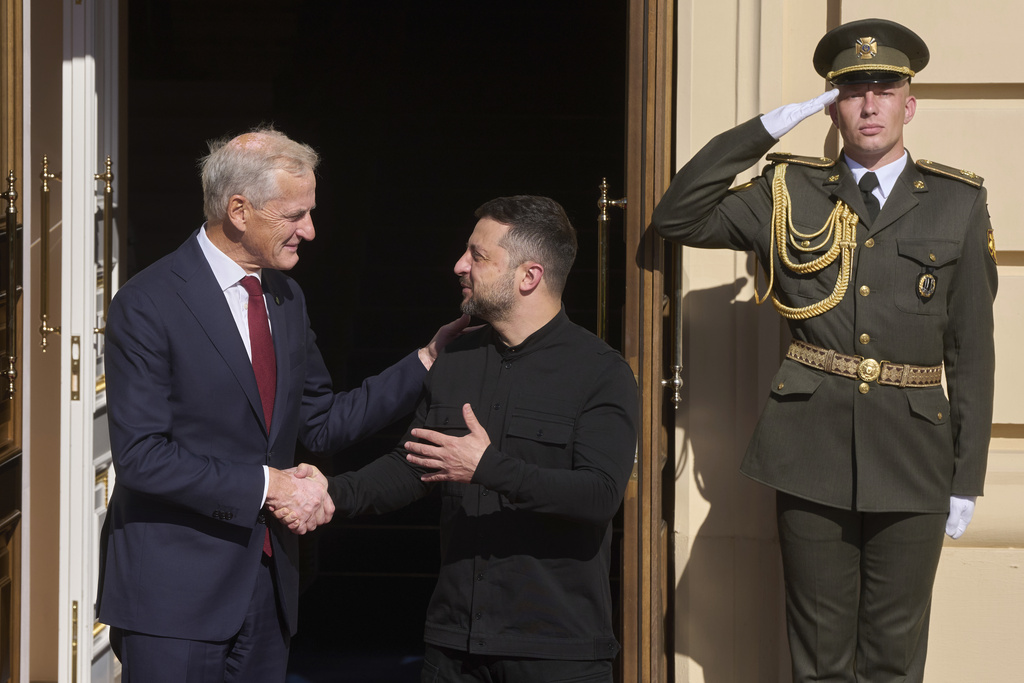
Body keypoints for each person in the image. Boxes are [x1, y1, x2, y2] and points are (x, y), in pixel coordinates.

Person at [651, 18, 997, 682]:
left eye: (885, 89)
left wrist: (967, 473)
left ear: (908, 103)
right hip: (809, 451)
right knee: (818, 659)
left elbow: (971, 352)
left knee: (894, 658)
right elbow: (677, 215)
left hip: (915, 457)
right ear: (832, 106)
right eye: (852, 90)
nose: (869, 104)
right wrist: (766, 129)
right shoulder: (786, 191)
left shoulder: (958, 203)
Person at [96, 127, 466, 682]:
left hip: (267, 594)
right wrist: (270, 485)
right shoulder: (148, 303)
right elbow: (144, 457)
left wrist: (426, 360)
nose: (310, 231)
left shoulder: (286, 297)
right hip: (173, 602)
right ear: (239, 210)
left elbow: (320, 422)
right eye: (295, 215)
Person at [285, 195, 639, 682]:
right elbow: (413, 465)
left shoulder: (601, 372)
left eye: (478, 255)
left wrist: (489, 467)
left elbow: (600, 495)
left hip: (556, 650)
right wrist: (329, 492)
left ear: (528, 276)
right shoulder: (458, 357)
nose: (459, 266)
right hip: (453, 646)